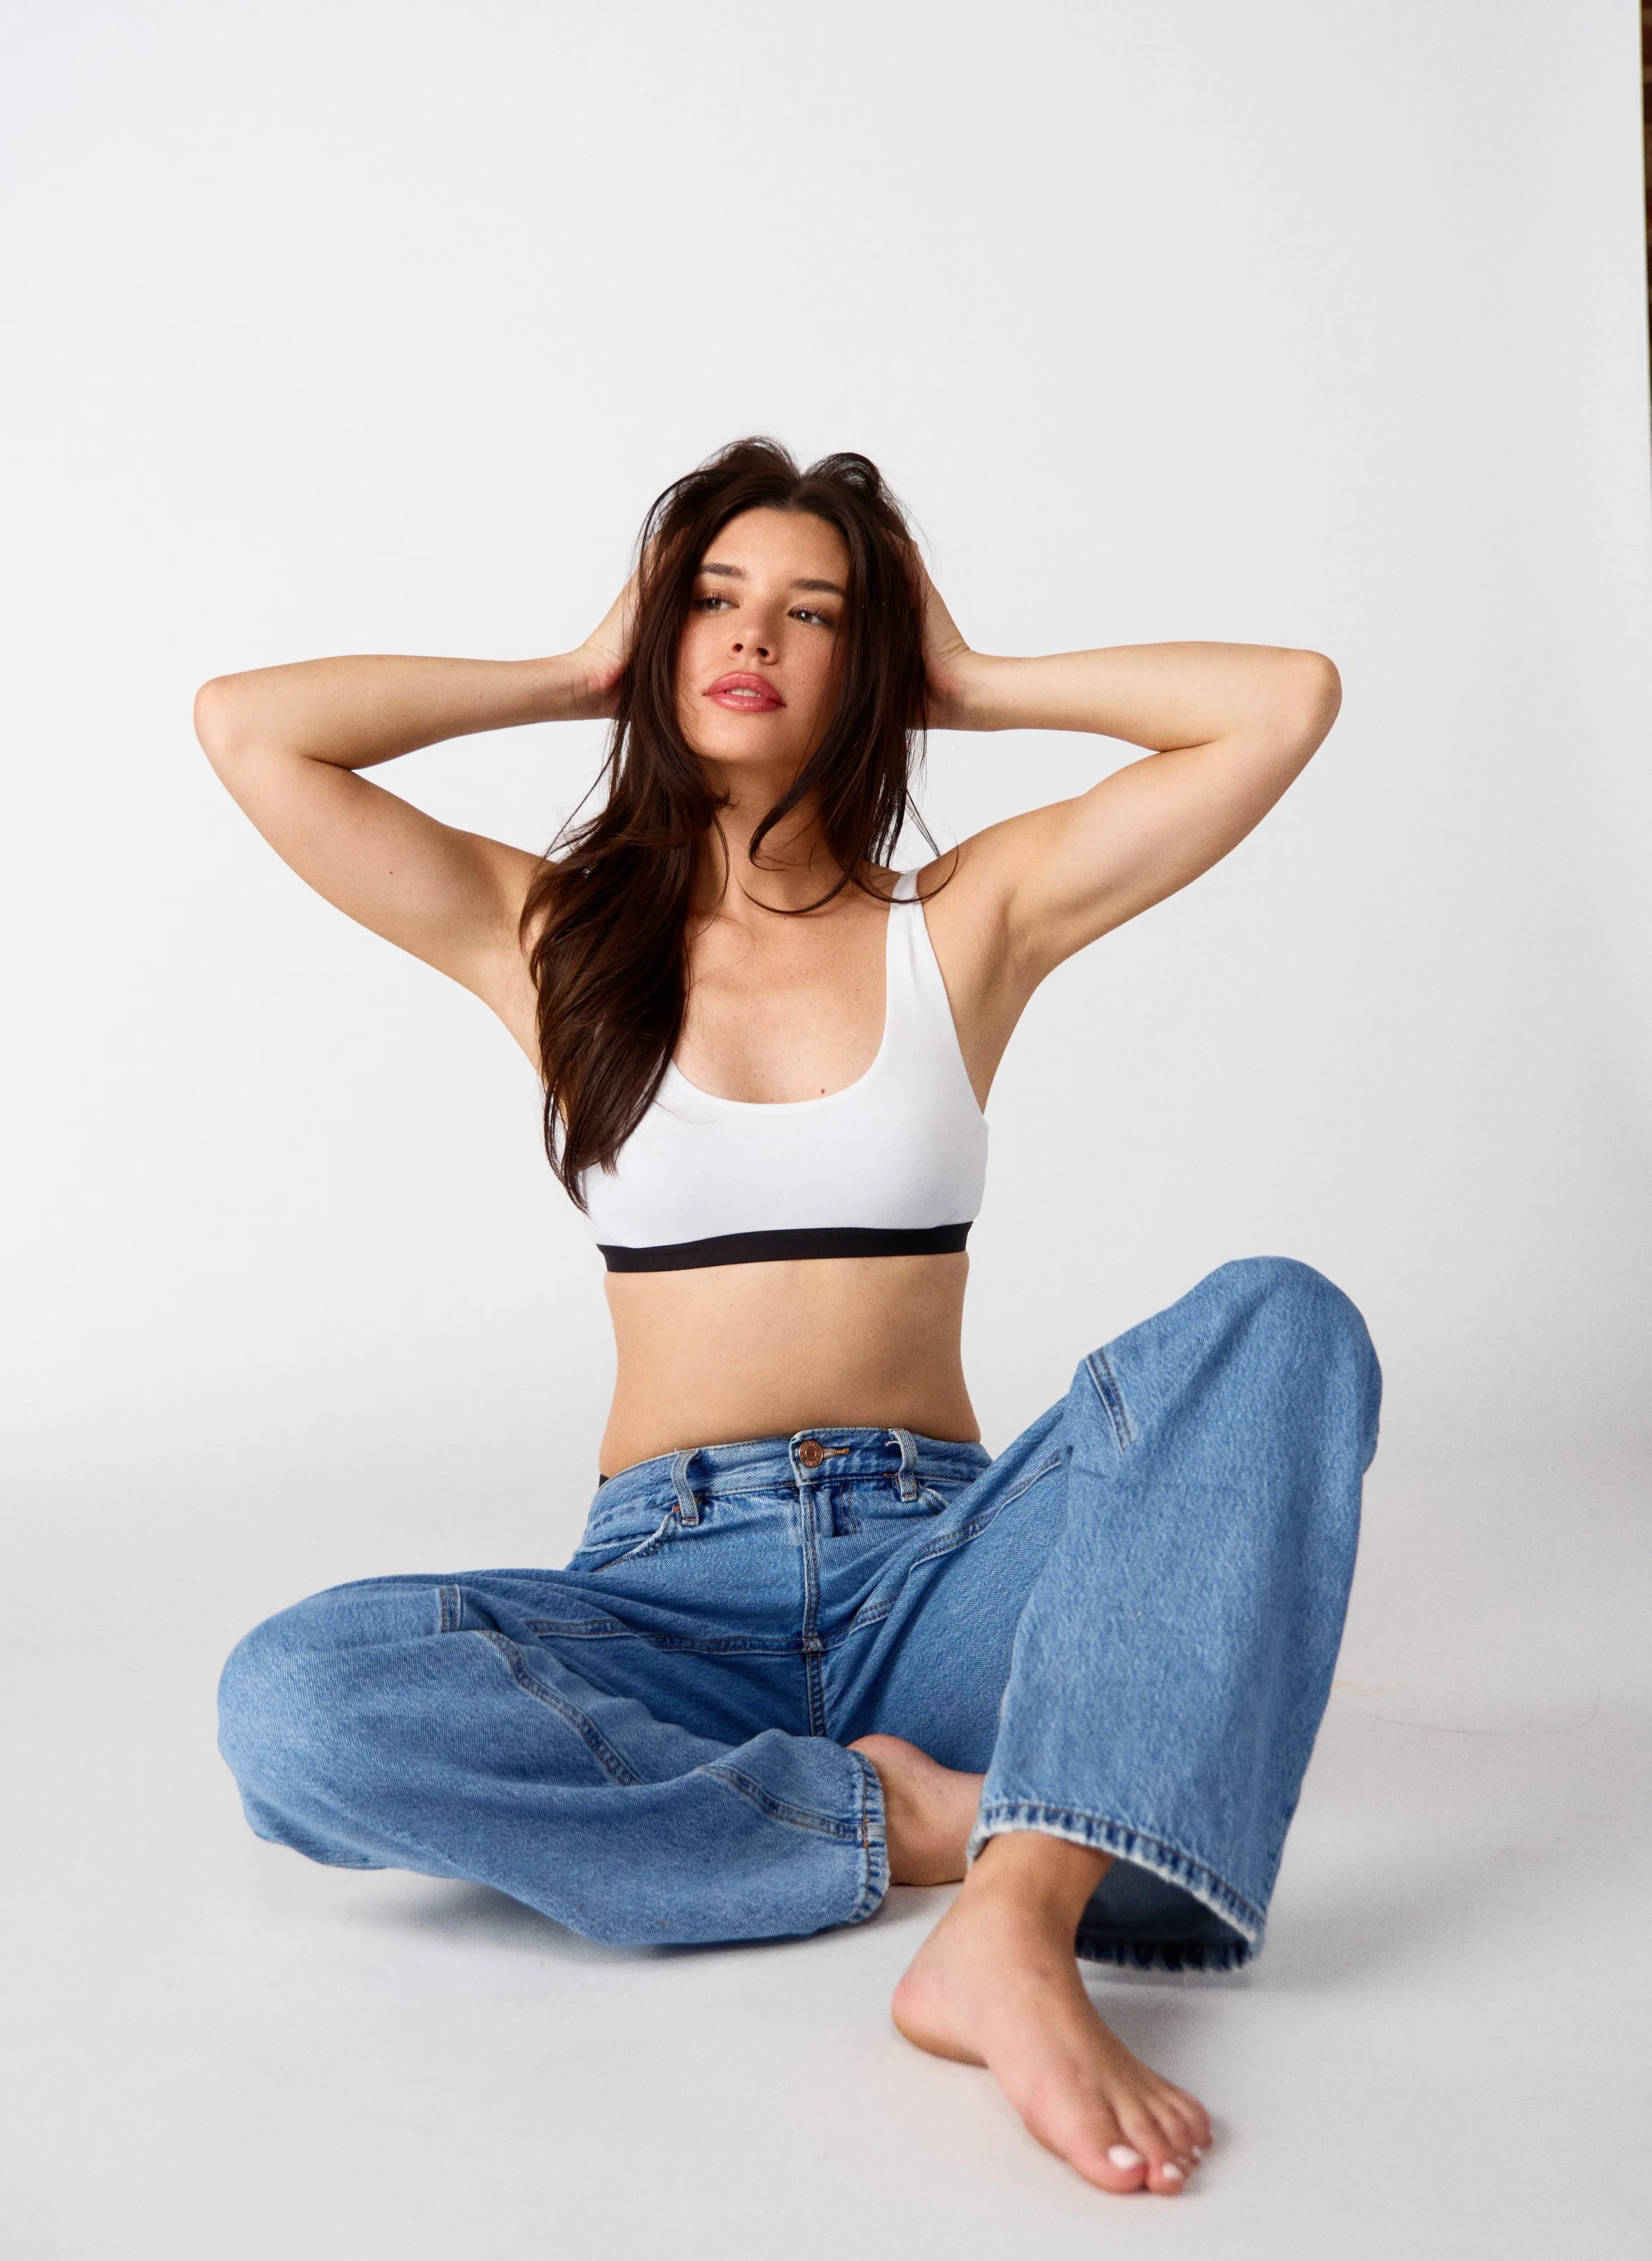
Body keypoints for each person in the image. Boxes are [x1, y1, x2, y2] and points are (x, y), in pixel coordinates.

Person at [195, 437, 1379, 2197]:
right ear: (659, 638)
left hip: (941, 1576)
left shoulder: (961, 920)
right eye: (713, 597)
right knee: (295, 1703)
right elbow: (249, 729)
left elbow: (1282, 702)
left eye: (813, 612)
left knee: (1278, 1323)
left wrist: (964, 676)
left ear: (864, 663)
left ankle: (1011, 1926)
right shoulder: (548, 932)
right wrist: (570, 669)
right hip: (665, 1597)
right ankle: (915, 1822)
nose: (753, 634)